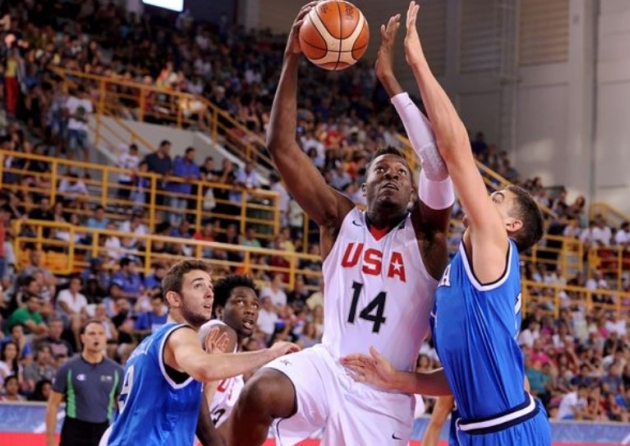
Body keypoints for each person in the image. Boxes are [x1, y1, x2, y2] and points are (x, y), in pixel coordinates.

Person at [227, 3, 455, 445]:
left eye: (400, 172)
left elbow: (437, 163)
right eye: (380, 171)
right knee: (259, 392)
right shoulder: (338, 218)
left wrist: (391, 82)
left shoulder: (427, 236)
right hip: (328, 367)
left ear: (413, 192)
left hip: (384, 390)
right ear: (363, 187)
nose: (391, 175)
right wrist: (292, 57)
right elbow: (281, 146)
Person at [341, 3, 550, 445]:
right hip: (474, 428)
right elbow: (459, 375)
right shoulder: (465, 272)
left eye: (497, 198)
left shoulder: (495, 244)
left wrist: (418, 62)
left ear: (512, 225)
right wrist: (400, 380)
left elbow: (453, 151)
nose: (486, 197)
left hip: (508, 428)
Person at [101, 260, 299, 446]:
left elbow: (195, 406)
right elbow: (204, 368)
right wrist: (271, 353)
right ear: (174, 298)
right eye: (198, 286)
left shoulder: (148, 345)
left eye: (210, 287)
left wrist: (211, 380)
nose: (209, 294)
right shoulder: (182, 333)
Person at [195, 275, 260, 440]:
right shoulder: (223, 332)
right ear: (219, 310)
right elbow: (196, 402)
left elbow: (220, 431)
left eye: (255, 304)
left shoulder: (237, 377)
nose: (250, 310)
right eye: (240, 302)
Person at [45, 321, 123, 446]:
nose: (96, 337)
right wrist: (50, 439)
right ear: (82, 338)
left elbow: (123, 408)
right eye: (92, 333)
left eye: (101, 333)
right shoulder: (68, 368)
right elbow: (53, 405)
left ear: (105, 338)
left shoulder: (116, 371)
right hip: (74, 431)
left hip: (102, 430)